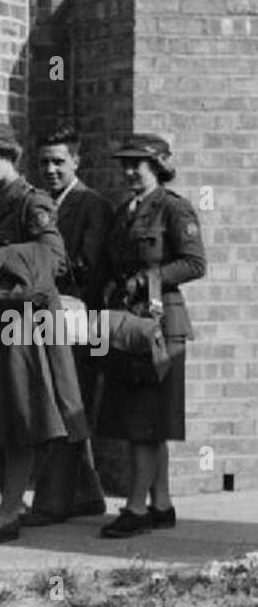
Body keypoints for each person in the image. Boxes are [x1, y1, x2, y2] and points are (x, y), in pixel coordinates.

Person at [0, 123, 88, 546]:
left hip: (26, 321)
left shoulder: (31, 201)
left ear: (11, 157)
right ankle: (14, 500)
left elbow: (54, 258)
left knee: (22, 418)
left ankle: (7, 513)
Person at [97, 133, 206, 538]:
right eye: (124, 164)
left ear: (157, 166)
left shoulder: (173, 209)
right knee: (145, 422)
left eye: (136, 165)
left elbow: (195, 263)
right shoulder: (126, 210)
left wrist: (148, 280)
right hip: (132, 327)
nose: (128, 172)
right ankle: (161, 503)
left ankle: (136, 507)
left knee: (144, 423)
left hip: (162, 325)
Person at [26, 125, 115, 526]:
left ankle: (52, 502)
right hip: (47, 315)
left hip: (79, 319)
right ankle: (87, 493)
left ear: (76, 161)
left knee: (67, 407)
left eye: (59, 161)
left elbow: (90, 270)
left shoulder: (91, 205)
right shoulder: (39, 202)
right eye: (44, 162)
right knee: (60, 404)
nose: (50, 169)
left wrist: (34, 274)